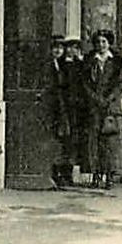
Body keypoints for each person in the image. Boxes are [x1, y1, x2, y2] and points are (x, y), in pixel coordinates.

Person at [81, 30, 122, 189]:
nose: (101, 45)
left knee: (110, 143)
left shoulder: (116, 60)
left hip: (111, 108)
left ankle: (110, 177)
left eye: (104, 42)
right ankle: (96, 175)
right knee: (94, 143)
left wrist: (110, 98)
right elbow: (84, 83)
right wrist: (95, 98)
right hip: (94, 107)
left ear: (109, 43)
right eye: (98, 42)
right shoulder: (89, 60)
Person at [46, 38, 74, 187]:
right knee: (55, 141)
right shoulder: (47, 66)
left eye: (61, 48)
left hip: (65, 109)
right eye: (55, 48)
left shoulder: (66, 66)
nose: (58, 51)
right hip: (53, 108)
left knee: (66, 142)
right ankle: (54, 174)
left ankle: (66, 175)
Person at [62, 37, 87, 180]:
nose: (72, 51)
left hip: (79, 109)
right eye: (70, 48)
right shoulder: (63, 64)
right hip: (67, 107)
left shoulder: (81, 65)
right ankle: (65, 173)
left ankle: (73, 173)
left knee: (76, 141)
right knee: (67, 141)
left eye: (76, 48)